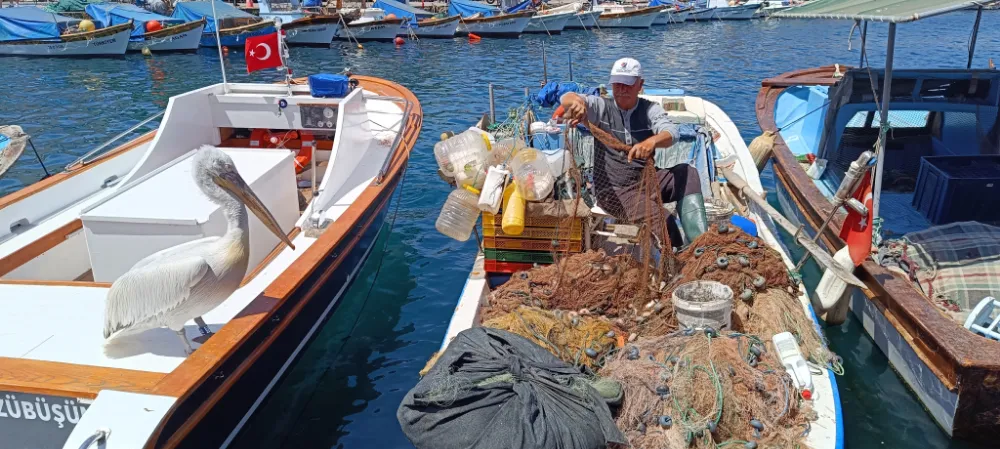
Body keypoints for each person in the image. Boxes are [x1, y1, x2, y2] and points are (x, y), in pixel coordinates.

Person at [558, 57, 709, 244]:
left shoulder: (650, 109)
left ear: (640, 85)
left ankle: (701, 242)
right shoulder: (602, 107)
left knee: (688, 173)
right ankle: (677, 258)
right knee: (662, 218)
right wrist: (576, 103)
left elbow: (672, 132)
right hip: (613, 191)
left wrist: (652, 142)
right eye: (617, 84)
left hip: (646, 182)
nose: (621, 90)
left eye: (628, 85)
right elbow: (568, 98)